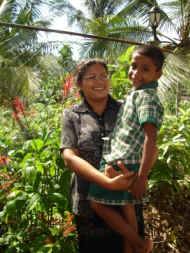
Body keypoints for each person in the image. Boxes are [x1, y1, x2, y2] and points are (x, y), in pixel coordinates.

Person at [60, 58, 147, 253]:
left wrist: (140, 176)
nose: (100, 81)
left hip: (127, 194)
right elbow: (69, 156)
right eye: (92, 77)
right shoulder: (72, 115)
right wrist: (106, 182)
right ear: (80, 84)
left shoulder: (127, 109)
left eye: (103, 76)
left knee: (130, 247)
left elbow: (146, 141)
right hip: (89, 206)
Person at [88, 45, 165, 253]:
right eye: (133, 66)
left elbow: (151, 139)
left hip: (127, 161)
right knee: (127, 208)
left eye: (145, 69)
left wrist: (142, 177)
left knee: (97, 203)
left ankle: (140, 245)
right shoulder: (136, 94)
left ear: (158, 73)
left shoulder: (146, 98)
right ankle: (135, 247)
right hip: (125, 159)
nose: (136, 73)